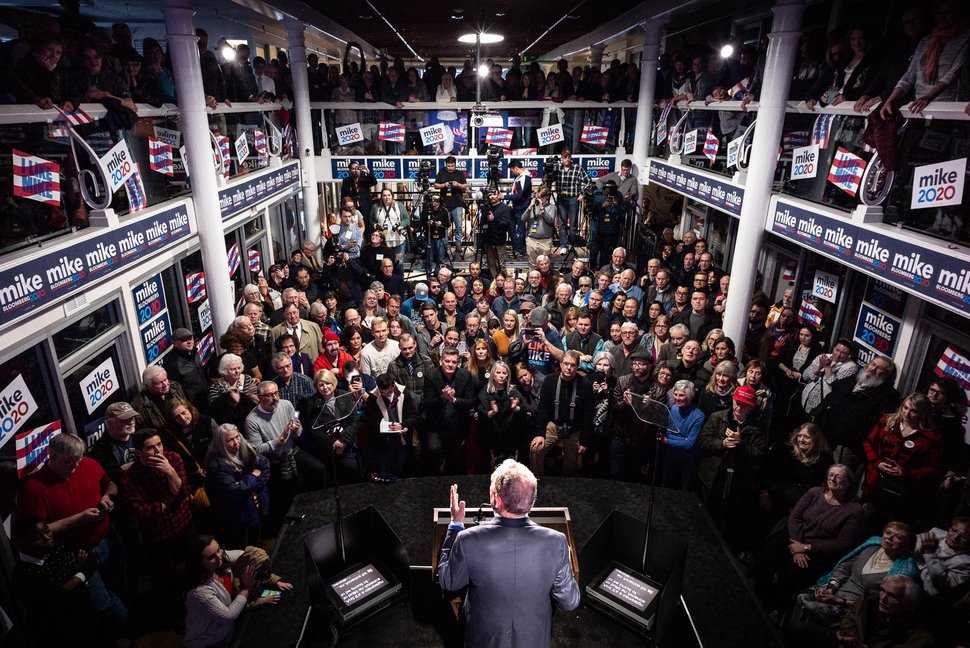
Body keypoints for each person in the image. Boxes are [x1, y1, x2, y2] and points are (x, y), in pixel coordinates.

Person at [438, 460, 581, 648]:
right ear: (531, 500)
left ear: (496, 500)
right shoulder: (557, 542)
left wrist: (455, 525)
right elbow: (569, 602)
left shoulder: (467, 540)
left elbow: (448, 582)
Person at [755, 463, 867, 612]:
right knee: (766, 557)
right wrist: (797, 547)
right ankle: (757, 597)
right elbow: (795, 517)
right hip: (795, 537)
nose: (833, 478)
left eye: (838, 476)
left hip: (817, 551)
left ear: (848, 482)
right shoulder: (814, 492)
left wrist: (806, 548)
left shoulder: (854, 510)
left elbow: (841, 543)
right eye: (831, 474)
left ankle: (776, 609)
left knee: (789, 574)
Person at [183, 535, 262, 648]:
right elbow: (228, 616)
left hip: (225, 635)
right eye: (211, 557)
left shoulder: (218, 559)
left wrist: (257, 559)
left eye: (219, 550)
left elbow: (243, 553)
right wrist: (246, 588)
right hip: (207, 642)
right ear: (198, 563)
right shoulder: (199, 592)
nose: (219, 557)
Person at [205, 424, 270, 547]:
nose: (236, 442)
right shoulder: (217, 465)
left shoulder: (247, 448)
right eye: (230, 440)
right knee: (243, 547)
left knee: (255, 541)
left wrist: (250, 487)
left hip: (256, 505)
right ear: (221, 443)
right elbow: (235, 490)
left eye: (237, 437)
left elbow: (265, 466)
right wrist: (253, 476)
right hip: (238, 514)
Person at [531, 351, 594, 477]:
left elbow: (588, 415)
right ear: (560, 364)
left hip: (574, 429)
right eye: (566, 364)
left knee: (571, 465)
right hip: (553, 425)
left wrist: (584, 441)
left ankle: (567, 488)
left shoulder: (585, 384)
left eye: (573, 365)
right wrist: (539, 434)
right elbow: (542, 409)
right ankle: (536, 481)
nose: (569, 368)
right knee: (535, 448)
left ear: (577, 367)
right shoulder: (549, 380)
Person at [364, 372, 418, 480]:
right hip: (383, 441)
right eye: (382, 393)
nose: (386, 395)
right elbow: (371, 422)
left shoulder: (403, 393)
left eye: (389, 392)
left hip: (403, 439)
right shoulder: (373, 398)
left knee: (404, 470)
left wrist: (403, 425)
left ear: (393, 385)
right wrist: (384, 427)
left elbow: (414, 416)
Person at [163, 328, 210, 411]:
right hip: (193, 407)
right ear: (175, 343)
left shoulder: (194, 353)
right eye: (184, 340)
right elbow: (174, 391)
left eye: (190, 338)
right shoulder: (172, 364)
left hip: (206, 400)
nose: (189, 342)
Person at [131, 366, 187, 431]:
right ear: (147, 386)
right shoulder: (139, 407)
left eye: (165, 380)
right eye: (159, 383)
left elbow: (187, 408)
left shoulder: (175, 387)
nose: (165, 384)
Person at [434, 156, 469, 245]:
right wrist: (444, 185)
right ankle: (444, 245)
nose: (450, 168)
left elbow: (465, 186)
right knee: (444, 226)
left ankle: (458, 245)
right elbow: (436, 185)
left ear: (455, 165)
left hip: (457, 204)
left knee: (459, 226)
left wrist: (458, 185)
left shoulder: (460, 173)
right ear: (446, 165)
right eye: (448, 166)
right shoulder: (441, 173)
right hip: (444, 204)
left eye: (452, 166)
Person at [482, 189, 513, 278]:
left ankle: (504, 283)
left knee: (500, 265)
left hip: (499, 241)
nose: (492, 197)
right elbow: (483, 223)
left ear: (498, 195)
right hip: (488, 241)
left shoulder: (505, 208)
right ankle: (495, 284)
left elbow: (506, 224)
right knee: (491, 264)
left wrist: (494, 219)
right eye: (490, 195)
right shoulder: (486, 207)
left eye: (494, 194)